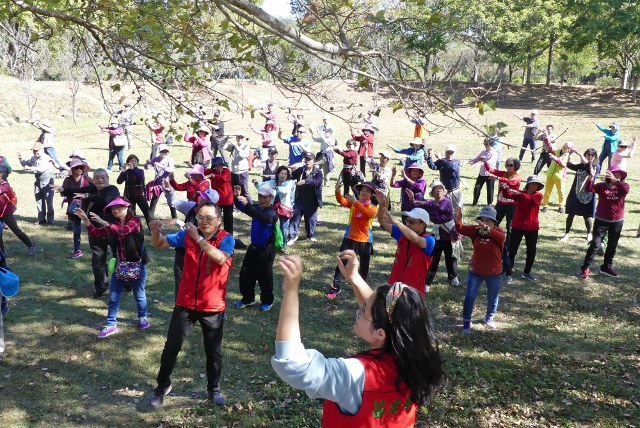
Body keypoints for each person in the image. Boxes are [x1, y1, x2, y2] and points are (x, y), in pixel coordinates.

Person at [271, 252, 444, 426]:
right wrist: (354, 277)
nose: (358, 312)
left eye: (363, 311)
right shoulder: (417, 359)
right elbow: (385, 314)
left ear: (381, 333)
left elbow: (291, 362)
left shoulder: (355, 376)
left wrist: (291, 291)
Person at [149, 203, 235, 408]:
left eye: (208, 218)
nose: (203, 222)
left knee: (213, 352)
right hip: (185, 302)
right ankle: (162, 385)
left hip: (212, 306)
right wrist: (155, 232)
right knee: (171, 347)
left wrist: (198, 239)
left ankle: (213, 389)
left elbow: (221, 258)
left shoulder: (226, 239)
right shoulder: (187, 236)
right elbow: (159, 244)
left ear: (218, 221)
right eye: (200, 217)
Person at [75, 197, 150, 338]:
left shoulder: (135, 221)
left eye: (119, 207)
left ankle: (143, 317)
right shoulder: (113, 224)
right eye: (113, 209)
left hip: (137, 265)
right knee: (114, 297)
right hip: (120, 265)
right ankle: (111, 324)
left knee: (139, 294)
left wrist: (104, 222)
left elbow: (123, 231)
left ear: (127, 207)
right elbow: (96, 233)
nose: (115, 210)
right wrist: (86, 219)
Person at [54, 169, 120, 297]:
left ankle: (126, 282)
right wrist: (64, 190)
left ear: (108, 178)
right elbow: (78, 191)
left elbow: (105, 200)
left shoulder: (113, 189)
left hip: (112, 231)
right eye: (97, 178)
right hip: (95, 231)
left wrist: (88, 197)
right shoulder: (93, 189)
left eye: (102, 177)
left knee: (119, 257)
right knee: (98, 260)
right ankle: (101, 288)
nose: (100, 180)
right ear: (93, 179)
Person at [454, 206, 506, 334]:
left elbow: (501, 238)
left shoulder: (499, 232)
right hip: (475, 271)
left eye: (488, 220)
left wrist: (487, 229)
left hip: (494, 273)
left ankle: (489, 317)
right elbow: (460, 229)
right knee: (470, 297)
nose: (484, 223)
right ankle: (466, 321)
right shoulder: (475, 230)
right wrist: (458, 220)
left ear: (494, 223)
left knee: (493, 297)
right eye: (482, 219)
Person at [164, 182, 220, 298]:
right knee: (179, 280)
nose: (201, 200)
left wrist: (179, 223)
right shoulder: (192, 206)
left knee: (197, 282)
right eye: (202, 197)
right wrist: (170, 192)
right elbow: (174, 202)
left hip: (198, 254)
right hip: (182, 251)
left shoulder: (213, 218)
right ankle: (179, 307)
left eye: (205, 200)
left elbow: (202, 233)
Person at [375, 190, 435, 296]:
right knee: (390, 311)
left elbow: (416, 240)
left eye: (412, 222)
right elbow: (382, 221)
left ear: (423, 224)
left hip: (412, 292)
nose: (408, 224)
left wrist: (397, 222)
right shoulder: (402, 234)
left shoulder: (429, 241)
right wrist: (382, 205)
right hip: (394, 287)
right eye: (407, 221)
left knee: (407, 312)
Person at [327, 182, 378, 299]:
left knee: (364, 265)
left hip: (365, 240)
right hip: (349, 237)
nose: (364, 192)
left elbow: (369, 214)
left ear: (372, 195)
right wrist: (337, 191)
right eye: (362, 190)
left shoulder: (373, 208)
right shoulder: (354, 204)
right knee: (341, 262)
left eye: (367, 191)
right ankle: (336, 286)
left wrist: (356, 203)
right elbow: (342, 201)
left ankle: (361, 286)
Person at [578, 165, 630, 280]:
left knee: (612, 245)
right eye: (615, 173)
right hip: (602, 220)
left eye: (619, 174)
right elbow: (589, 189)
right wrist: (591, 178)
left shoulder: (623, 186)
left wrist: (617, 181)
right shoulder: (601, 186)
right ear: (608, 175)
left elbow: (625, 191)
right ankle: (585, 268)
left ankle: (606, 267)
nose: (617, 176)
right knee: (595, 244)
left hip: (617, 221)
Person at [232, 185, 278, 311]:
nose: (262, 200)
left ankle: (267, 301)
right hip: (253, 248)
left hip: (266, 250)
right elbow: (243, 208)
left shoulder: (272, 213)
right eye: (260, 196)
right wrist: (236, 197)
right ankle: (248, 299)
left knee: (265, 277)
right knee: (246, 274)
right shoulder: (257, 208)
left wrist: (248, 205)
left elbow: (263, 218)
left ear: (271, 197)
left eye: (265, 197)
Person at [412, 181, 460, 288]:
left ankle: (453, 277)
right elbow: (421, 207)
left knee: (451, 258)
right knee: (433, 259)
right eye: (435, 189)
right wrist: (413, 200)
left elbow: (441, 208)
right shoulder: (431, 204)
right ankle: (427, 282)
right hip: (437, 236)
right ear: (432, 193)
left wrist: (426, 203)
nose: (438, 191)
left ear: (444, 192)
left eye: (440, 189)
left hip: (449, 236)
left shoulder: (446, 202)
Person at [502, 175, 544, 284]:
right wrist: (504, 188)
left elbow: (532, 200)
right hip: (517, 226)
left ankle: (527, 272)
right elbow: (507, 195)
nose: (534, 186)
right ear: (528, 184)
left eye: (537, 184)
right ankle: (508, 273)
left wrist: (519, 193)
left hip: (532, 228)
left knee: (531, 251)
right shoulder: (520, 194)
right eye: (533, 183)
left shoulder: (538, 195)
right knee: (512, 250)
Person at [561, 148, 600, 243]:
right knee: (571, 214)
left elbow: (589, 168)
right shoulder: (581, 166)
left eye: (592, 155)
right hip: (576, 192)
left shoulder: (596, 166)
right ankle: (567, 234)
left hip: (588, 194)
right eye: (588, 155)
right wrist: (569, 154)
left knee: (586, 216)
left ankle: (589, 234)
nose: (590, 156)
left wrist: (579, 153)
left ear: (595, 157)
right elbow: (568, 165)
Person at [255, 165, 296, 250]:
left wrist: (276, 188)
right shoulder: (272, 182)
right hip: (273, 209)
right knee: (272, 226)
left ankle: (282, 246)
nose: (283, 176)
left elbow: (285, 191)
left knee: (283, 228)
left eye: (285, 174)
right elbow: (263, 186)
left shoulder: (288, 183)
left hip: (284, 209)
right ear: (277, 174)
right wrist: (256, 183)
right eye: (281, 173)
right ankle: (272, 243)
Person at [484, 157, 522, 246]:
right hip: (500, 204)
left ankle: (508, 245)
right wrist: (485, 162)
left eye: (511, 165)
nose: (508, 167)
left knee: (510, 227)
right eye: (507, 165)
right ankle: (491, 238)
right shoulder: (504, 174)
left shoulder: (517, 177)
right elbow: (491, 170)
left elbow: (511, 182)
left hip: (512, 206)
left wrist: (499, 178)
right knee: (494, 222)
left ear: (515, 167)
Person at [288, 152, 323, 245]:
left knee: (311, 220)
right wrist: (286, 171)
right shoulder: (301, 170)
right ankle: (292, 236)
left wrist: (305, 181)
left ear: (314, 161)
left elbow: (317, 183)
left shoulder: (318, 172)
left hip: (312, 202)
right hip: (299, 200)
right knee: (294, 218)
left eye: (310, 159)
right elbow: (291, 176)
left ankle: (311, 235)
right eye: (306, 159)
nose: (307, 161)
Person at [18, 142, 56, 225]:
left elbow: (41, 169)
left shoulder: (47, 158)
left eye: (37, 151)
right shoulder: (34, 158)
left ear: (42, 150)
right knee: (39, 201)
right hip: (38, 182)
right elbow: (26, 163)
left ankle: (50, 220)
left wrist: (30, 168)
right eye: (34, 151)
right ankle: (41, 218)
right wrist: (21, 159)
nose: (35, 153)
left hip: (47, 182)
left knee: (49, 202)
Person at [0, 167, 35, 256]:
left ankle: (31, 245)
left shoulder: (5, 185)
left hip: (6, 213)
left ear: (1, 174)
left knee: (16, 230)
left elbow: (2, 199)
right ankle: (2, 254)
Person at [63, 158, 93, 258]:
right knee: (76, 231)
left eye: (81, 167)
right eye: (76, 167)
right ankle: (77, 249)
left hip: (86, 208)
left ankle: (100, 246)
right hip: (74, 209)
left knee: (92, 229)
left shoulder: (87, 180)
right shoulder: (68, 180)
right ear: (72, 169)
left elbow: (94, 190)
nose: (79, 169)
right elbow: (63, 192)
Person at [117, 154, 151, 226]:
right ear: (128, 163)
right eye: (131, 161)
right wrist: (122, 171)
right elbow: (119, 181)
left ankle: (152, 230)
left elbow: (140, 177)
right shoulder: (126, 172)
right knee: (132, 215)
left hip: (140, 196)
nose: (133, 162)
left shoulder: (140, 171)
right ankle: (135, 230)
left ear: (137, 163)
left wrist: (133, 170)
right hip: (129, 197)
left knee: (147, 214)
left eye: (135, 161)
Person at [145, 144, 177, 220]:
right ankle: (150, 217)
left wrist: (161, 166)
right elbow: (148, 167)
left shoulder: (170, 159)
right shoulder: (155, 159)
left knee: (171, 202)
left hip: (167, 184)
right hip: (158, 184)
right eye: (163, 151)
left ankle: (174, 218)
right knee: (154, 201)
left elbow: (171, 170)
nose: (164, 153)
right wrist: (147, 164)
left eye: (166, 152)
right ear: (159, 152)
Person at [205, 157, 234, 237]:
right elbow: (201, 171)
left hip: (228, 200)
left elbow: (224, 178)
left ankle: (229, 237)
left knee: (228, 219)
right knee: (216, 219)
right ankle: (216, 236)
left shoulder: (226, 171)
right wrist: (191, 165)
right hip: (217, 200)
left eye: (220, 165)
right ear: (214, 166)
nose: (218, 168)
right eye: (216, 166)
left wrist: (213, 175)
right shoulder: (212, 172)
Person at [541, 142, 573, 214]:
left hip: (560, 177)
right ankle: (545, 206)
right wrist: (546, 135)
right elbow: (550, 146)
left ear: (569, 150)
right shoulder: (557, 151)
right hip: (550, 175)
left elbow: (562, 164)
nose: (564, 147)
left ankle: (561, 206)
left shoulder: (568, 156)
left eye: (567, 146)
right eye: (564, 145)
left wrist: (555, 158)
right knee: (547, 192)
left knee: (561, 192)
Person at [426, 145, 462, 210]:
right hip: (444, 191)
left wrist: (441, 158)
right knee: (444, 209)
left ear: (455, 153)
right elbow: (433, 166)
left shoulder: (457, 162)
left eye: (451, 153)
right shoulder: (442, 161)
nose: (449, 154)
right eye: (448, 152)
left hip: (455, 192)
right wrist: (429, 156)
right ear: (445, 153)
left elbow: (452, 167)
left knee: (457, 211)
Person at [222, 131, 252, 204]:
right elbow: (222, 146)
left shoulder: (246, 146)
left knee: (244, 191)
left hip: (243, 172)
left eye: (242, 137)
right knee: (234, 190)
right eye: (238, 137)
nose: (240, 139)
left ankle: (251, 205)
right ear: (236, 137)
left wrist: (236, 146)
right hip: (234, 172)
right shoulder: (233, 146)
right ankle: (237, 207)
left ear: (244, 138)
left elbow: (242, 155)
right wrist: (226, 139)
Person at [469, 138, 498, 206]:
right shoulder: (483, 152)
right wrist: (468, 162)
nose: (485, 145)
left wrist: (481, 163)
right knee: (477, 187)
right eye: (484, 144)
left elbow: (490, 162)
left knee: (490, 189)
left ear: (490, 145)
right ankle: (474, 203)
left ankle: (489, 204)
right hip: (482, 174)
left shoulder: (494, 153)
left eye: (486, 144)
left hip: (490, 174)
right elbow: (476, 159)